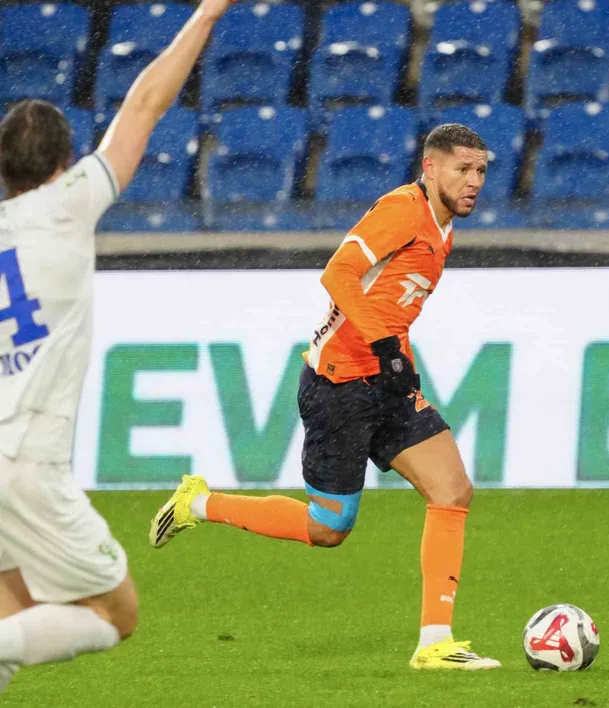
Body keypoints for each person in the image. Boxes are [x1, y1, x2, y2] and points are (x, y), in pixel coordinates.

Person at [150, 123, 500, 670]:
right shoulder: (403, 211)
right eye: (463, 169)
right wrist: (384, 345)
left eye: (481, 170)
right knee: (328, 527)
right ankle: (198, 503)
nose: (474, 180)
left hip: (386, 382)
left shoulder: (444, 224)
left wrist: (397, 360)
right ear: (430, 168)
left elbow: (391, 305)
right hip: (338, 387)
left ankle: (435, 643)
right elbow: (339, 274)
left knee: (452, 491)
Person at [0, 0, 236, 693]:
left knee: (16, 605)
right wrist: (207, 15)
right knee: (114, 612)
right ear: (63, 162)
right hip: (26, 461)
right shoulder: (68, 202)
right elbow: (143, 105)